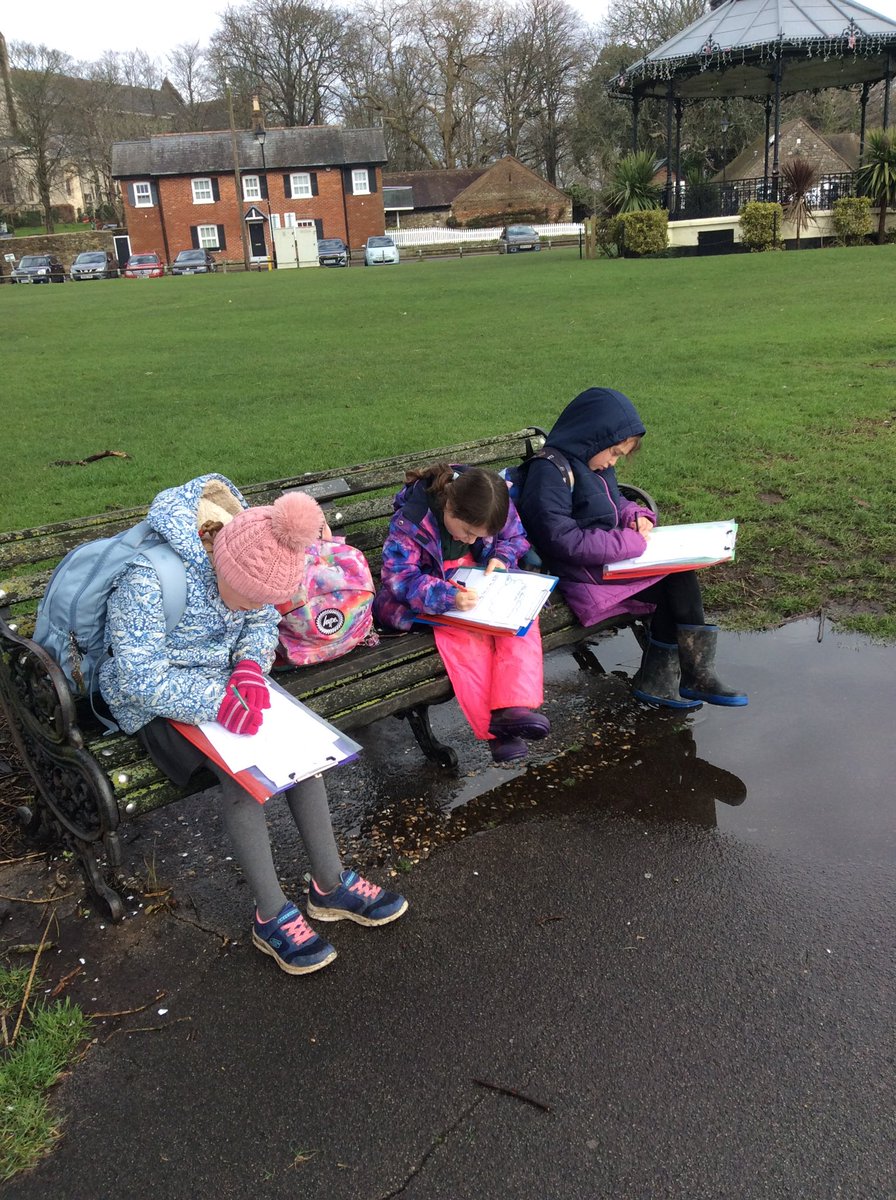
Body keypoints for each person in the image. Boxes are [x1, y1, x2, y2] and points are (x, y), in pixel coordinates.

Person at [99, 473, 407, 976]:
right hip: (159, 702)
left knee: (305, 757)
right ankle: (270, 914)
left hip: (226, 685)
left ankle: (329, 884)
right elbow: (138, 677)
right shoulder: (148, 580)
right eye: (244, 598)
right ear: (220, 565)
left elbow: (260, 624)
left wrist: (248, 666)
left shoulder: (255, 568)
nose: (250, 607)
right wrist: (217, 702)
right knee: (245, 779)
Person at [515, 387, 747, 708]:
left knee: (677, 575)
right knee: (674, 579)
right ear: (590, 438)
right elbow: (561, 539)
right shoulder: (549, 472)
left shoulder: (595, 465)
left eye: (618, 457)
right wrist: (629, 542)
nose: (612, 462)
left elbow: (614, 502)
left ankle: (677, 679)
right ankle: (687, 677)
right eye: (612, 453)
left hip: (605, 564)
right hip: (582, 575)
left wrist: (636, 516)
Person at [374, 464, 550, 763]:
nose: (471, 540)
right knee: (467, 639)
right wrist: (448, 596)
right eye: (467, 532)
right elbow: (398, 577)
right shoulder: (413, 520)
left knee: (522, 620)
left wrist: (501, 557)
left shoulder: (495, 502)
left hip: (480, 584)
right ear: (450, 506)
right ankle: (496, 732)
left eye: (479, 535)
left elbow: (515, 538)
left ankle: (514, 708)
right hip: (427, 597)